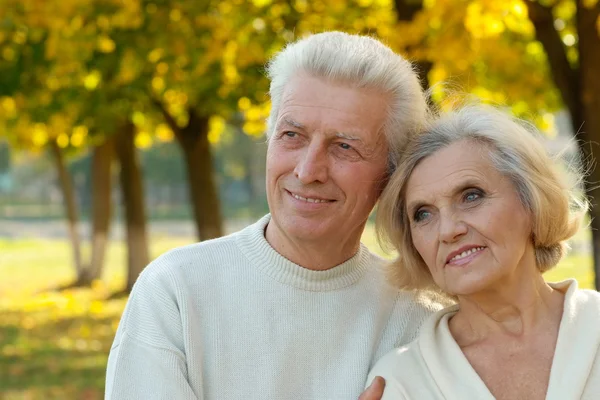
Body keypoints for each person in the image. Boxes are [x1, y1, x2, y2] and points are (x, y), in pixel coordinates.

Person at [105, 31, 442, 400]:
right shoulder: (176, 291)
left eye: (345, 146)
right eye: (292, 135)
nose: (307, 170)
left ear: (391, 174)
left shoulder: (421, 322)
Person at [366, 105, 600, 399]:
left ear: (531, 200)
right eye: (423, 214)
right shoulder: (400, 383)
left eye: (471, 196)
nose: (448, 230)